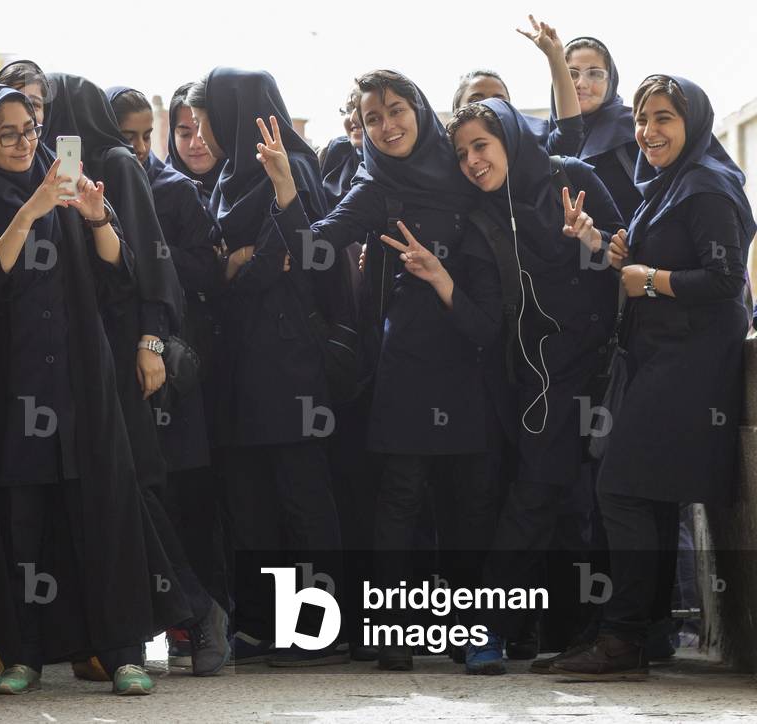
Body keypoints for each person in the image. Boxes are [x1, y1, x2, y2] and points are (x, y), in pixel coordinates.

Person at [0, 81, 197, 695]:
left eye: (29, 129)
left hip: (81, 379)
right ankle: (22, 653)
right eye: (6, 133)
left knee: (104, 513)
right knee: (22, 522)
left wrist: (97, 220)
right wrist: (30, 210)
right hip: (11, 387)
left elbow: (120, 277)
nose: (21, 142)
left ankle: (121, 652)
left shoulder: (69, 188)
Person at [256, 69, 503, 671]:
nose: (386, 126)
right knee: (399, 500)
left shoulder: (467, 169)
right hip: (406, 364)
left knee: (467, 502)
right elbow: (314, 253)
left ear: (418, 109)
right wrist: (288, 189)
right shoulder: (376, 186)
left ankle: (476, 633)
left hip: (473, 355)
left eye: (395, 110)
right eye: (372, 118)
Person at [554, 75, 755, 681]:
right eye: (642, 119)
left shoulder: (708, 187)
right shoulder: (666, 187)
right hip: (660, 359)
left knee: (621, 488)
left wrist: (649, 278)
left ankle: (623, 639)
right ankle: (643, 636)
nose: (648, 132)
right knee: (647, 494)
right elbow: (654, 263)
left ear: (692, 124)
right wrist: (609, 249)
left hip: (688, 367)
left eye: (664, 118)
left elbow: (727, 285)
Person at [446, 98, 623, 674]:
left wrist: (596, 247)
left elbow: (633, 254)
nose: (473, 161)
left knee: (608, 507)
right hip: (543, 384)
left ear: (510, 140)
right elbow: (487, 318)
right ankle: (488, 630)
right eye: (463, 152)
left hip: (610, 369)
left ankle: (620, 634)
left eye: (482, 145)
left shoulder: (574, 175)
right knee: (534, 500)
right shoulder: (479, 217)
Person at [186, 67, 346, 667]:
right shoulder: (228, 180)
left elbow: (301, 258)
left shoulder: (293, 171)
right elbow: (215, 269)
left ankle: (319, 631)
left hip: (287, 363)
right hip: (239, 365)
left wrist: (237, 267)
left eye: (209, 123)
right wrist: (234, 265)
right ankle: (264, 625)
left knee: (301, 498)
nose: (204, 137)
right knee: (251, 502)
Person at [107, 85, 231, 665]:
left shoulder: (173, 190)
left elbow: (207, 267)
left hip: (174, 370)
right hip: (117, 370)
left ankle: (201, 620)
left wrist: (143, 250)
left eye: (142, 135)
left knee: (181, 498)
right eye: (122, 135)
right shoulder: (96, 191)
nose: (135, 148)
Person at [452, 15, 582, 157]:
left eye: (500, 101)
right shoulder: (445, 163)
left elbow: (570, 132)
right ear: (456, 111)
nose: (488, 107)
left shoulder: (533, 156)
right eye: (475, 101)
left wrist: (555, 55)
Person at [550, 37, 643, 224]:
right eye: (571, 74)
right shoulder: (546, 141)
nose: (581, 83)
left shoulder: (636, 128)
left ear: (611, 80)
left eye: (595, 74)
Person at [167, 82, 223, 201]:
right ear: (172, 136)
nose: (195, 144)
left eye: (205, 130)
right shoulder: (160, 192)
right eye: (185, 134)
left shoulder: (244, 188)